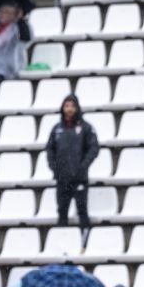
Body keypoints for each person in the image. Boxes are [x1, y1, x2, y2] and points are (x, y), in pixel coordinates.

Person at [45, 93, 98, 230]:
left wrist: (83, 166)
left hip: (79, 179)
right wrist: (54, 167)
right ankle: (63, 244)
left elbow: (94, 148)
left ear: (77, 108)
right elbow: (50, 149)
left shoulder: (85, 128)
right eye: (66, 106)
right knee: (62, 213)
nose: (69, 109)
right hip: (62, 179)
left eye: (72, 106)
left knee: (82, 212)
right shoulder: (57, 129)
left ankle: (84, 243)